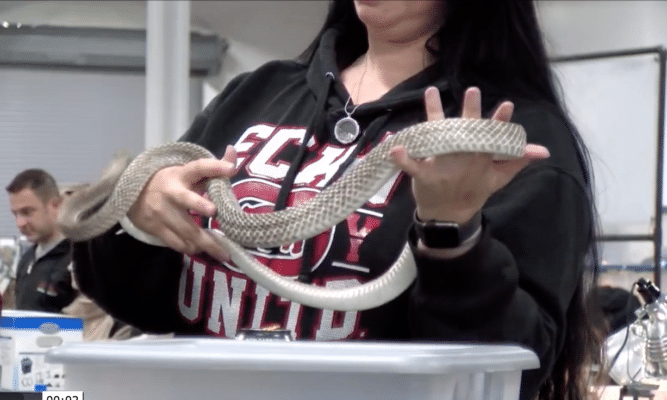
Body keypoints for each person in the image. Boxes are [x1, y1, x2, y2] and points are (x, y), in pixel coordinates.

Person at [71, 1, 603, 399]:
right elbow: (139, 299)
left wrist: (452, 232)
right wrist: (140, 216)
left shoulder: (514, 137)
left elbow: (515, 367)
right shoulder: (257, 93)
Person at [6, 169, 77, 313]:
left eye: (27, 212)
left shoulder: (78, 260)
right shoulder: (26, 259)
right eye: (15, 214)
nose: (19, 223)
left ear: (55, 206)